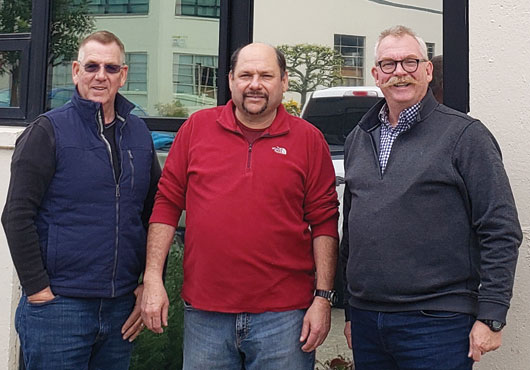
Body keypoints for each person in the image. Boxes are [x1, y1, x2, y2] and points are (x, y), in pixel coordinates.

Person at [141, 42, 339, 370]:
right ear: (231, 80)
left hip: (285, 319)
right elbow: (166, 204)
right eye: (245, 75)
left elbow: (324, 221)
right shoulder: (196, 129)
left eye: (266, 75)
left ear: (284, 81)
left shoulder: (308, 140)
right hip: (206, 314)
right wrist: (152, 279)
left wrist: (323, 298)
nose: (255, 84)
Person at [340, 25, 522, 370]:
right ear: (376, 75)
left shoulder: (465, 136)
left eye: (410, 62)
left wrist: (492, 315)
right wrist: (350, 309)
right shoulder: (359, 138)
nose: (400, 73)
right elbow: (352, 231)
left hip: (437, 323)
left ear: (427, 70)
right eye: (389, 65)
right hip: (367, 321)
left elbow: (500, 230)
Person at [2, 30, 161, 370]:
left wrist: (146, 282)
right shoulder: (47, 131)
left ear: (124, 74)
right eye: (91, 66)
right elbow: (16, 215)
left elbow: (153, 213)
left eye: (111, 68)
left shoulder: (138, 134)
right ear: (76, 71)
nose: (100, 76)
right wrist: (39, 291)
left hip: (120, 307)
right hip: (60, 307)